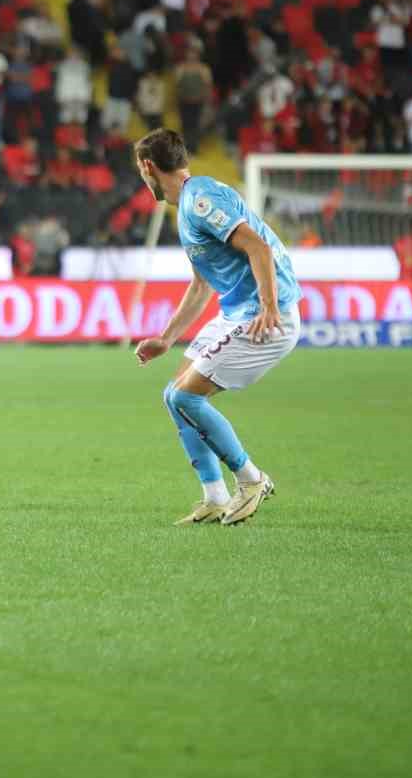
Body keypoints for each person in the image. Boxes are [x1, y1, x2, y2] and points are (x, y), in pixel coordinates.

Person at [131, 128, 299, 526]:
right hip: (237, 311)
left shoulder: (201, 201)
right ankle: (214, 495)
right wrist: (166, 338)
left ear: (148, 167)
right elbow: (202, 282)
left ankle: (251, 479)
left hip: (262, 317)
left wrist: (269, 307)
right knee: (174, 395)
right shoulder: (189, 204)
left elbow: (257, 246)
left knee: (187, 399)